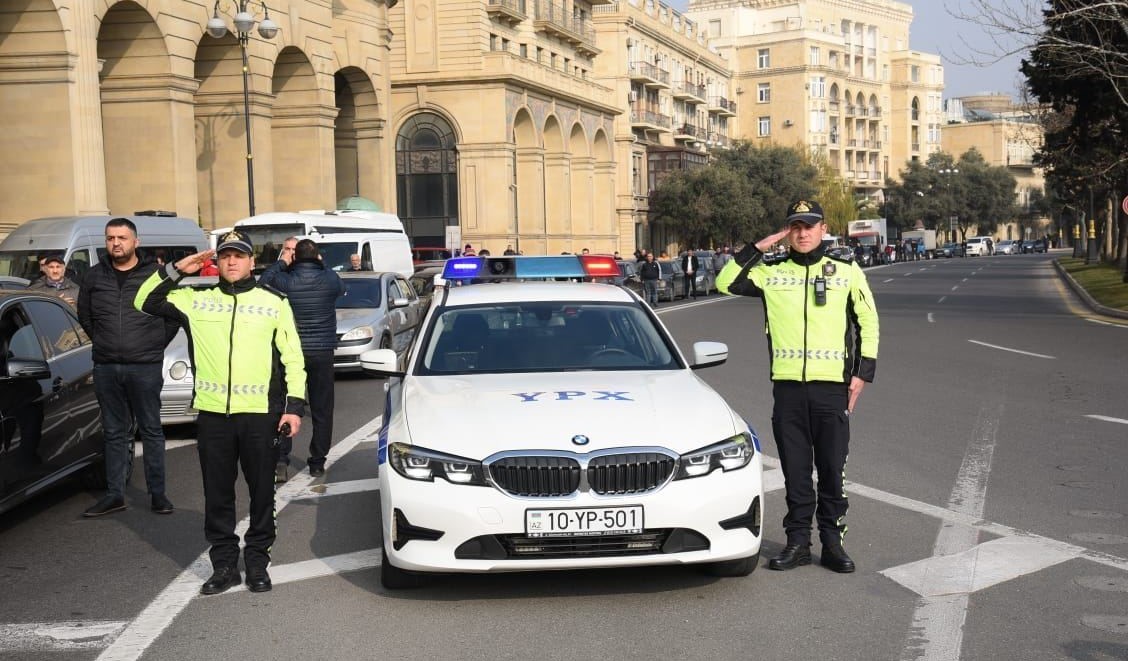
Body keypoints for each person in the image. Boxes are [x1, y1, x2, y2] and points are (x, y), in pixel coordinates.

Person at [135, 230, 307, 595]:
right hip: (213, 416)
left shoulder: (273, 301)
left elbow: (293, 358)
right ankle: (225, 564)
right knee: (217, 495)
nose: (232, 261)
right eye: (226, 255)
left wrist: (294, 408)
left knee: (262, 493)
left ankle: (258, 561)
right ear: (217, 261)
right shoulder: (196, 301)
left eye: (239, 256)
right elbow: (144, 300)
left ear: (250, 262)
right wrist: (177, 268)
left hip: (260, 415)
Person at [716, 200, 879, 574]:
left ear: (823, 228)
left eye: (809, 226)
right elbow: (724, 282)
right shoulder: (772, 272)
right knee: (795, 470)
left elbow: (867, 321)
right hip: (788, 389)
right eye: (795, 227)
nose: (803, 233)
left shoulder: (845, 270)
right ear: (787, 231)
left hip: (831, 388)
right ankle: (798, 543)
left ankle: (833, 541)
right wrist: (760, 246)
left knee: (832, 468)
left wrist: (862, 373)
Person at [77, 218, 180, 517]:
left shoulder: (155, 275)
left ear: (136, 241)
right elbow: (85, 315)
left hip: (144, 366)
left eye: (122, 237)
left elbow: (173, 315)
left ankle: (158, 494)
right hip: (107, 366)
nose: (116, 243)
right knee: (114, 432)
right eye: (110, 238)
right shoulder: (94, 276)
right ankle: (115, 494)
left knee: (150, 429)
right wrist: (105, 342)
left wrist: (152, 343)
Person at [260, 238, 344, 482]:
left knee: (286, 406)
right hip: (322, 352)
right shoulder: (329, 278)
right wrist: (321, 263)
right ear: (317, 256)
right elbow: (339, 285)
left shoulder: (285, 280)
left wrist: (282, 263)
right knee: (322, 409)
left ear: (295, 256)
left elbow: (263, 282)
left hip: (291, 351)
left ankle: (281, 460)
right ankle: (317, 462)